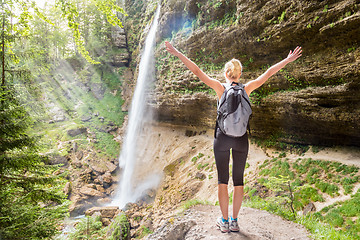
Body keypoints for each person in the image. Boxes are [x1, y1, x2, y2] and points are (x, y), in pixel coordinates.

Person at [165, 41, 302, 233]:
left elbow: (197, 71)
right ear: (240, 75)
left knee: (222, 180)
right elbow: (269, 73)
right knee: (238, 181)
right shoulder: (247, 89)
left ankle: (224, 221)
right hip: (241, 140)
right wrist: (287, 60)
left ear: (226, 74)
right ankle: (235, 221)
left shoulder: (220, 88)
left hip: (222, 138)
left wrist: (177, 52)